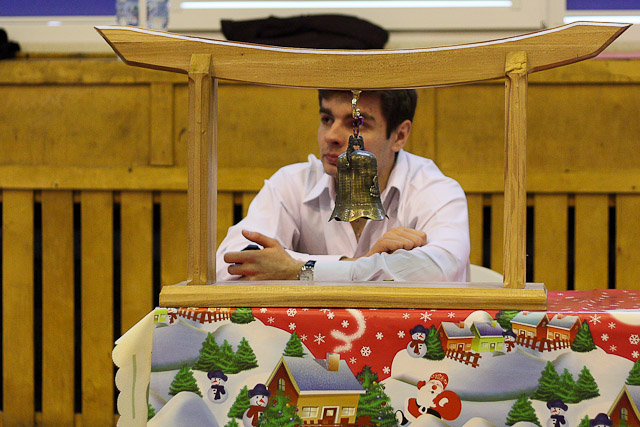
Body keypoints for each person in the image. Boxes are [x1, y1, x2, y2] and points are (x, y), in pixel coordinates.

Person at [216, 89, 469, 282]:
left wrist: (299, 270)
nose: (331, 136)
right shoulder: (291, 183)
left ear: (399, 135)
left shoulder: (435, 190)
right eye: (327, 119)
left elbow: (440, 270)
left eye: (355, 124)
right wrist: (357, 264)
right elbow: (228, 265)